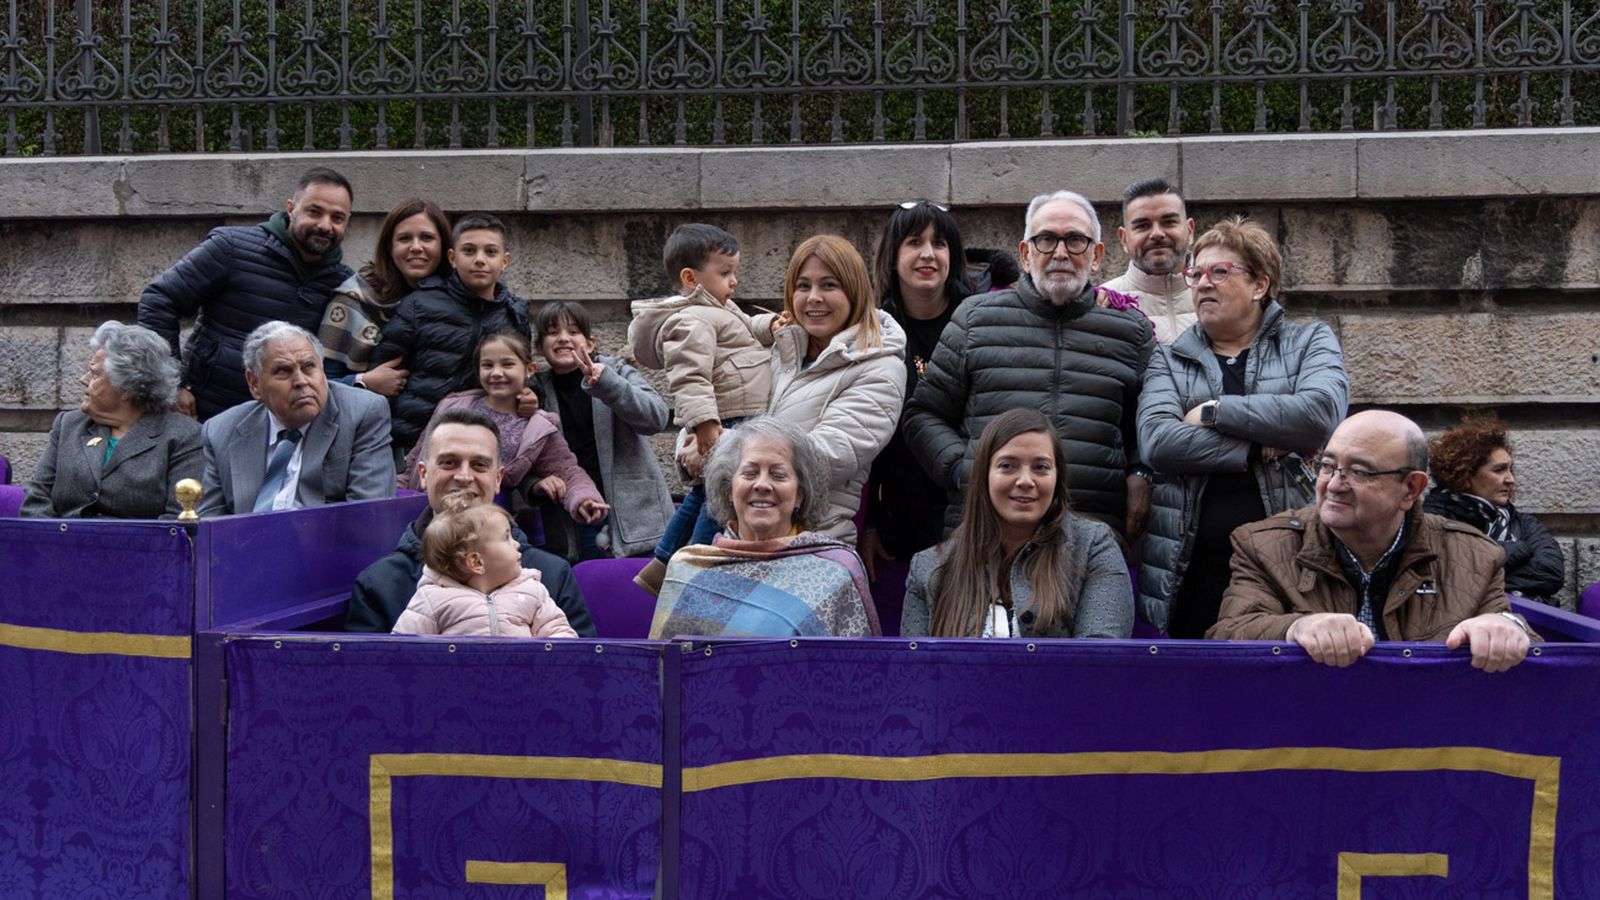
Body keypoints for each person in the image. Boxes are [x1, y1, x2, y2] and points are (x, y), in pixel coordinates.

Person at [904, 188, 1155, 543]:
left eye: (1075, 240)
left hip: (1089, 537)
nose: (1060, 253)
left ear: (1097, 255)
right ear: (1025, 253)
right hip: (983, 534)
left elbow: (1149, 427)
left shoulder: (1132, 333)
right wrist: (964, 471)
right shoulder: (975, 320)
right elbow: (923, 415)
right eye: (1046, 240)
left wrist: (1143, 473)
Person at [1137, 216, 1348, 637]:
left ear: (1260, 285)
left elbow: (1319, 413)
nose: (1202, 284)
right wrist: (1255, 449)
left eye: (1220, 272)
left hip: (1292, 561)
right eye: (1195, 273)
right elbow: (1157, 441)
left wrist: (1215, 411)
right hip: (1191, 564)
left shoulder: (1309, 342)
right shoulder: (1169, 360)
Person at [1211, 410, 1534, 672]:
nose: (1334, 485)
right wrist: (1296, 628)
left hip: (1425, 738)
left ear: (1411, 488)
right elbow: (1228, 634)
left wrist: (1504, 626)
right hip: (1311, 735)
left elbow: (1529, 646)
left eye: (1360, 472)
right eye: (1327, 466)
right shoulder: (1263, 545)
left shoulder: (1475, 554)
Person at [345, 407, 594, 635]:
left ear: (498, 479)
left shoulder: (551, 575)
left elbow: (583, 673)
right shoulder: (380, 584)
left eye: (479, 464)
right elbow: (371, 680)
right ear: (423, 474)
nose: (464, 477)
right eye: (449, 462)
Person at [627, 223, 778, 592]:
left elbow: (746, 327)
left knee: (702, 495)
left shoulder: (718, 309)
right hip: (727, 419)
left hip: (734, 414)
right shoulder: (691, 318)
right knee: (722, 498)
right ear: (691, 277)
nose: (734, 281)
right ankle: (695, 566)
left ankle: (665, 562)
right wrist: (705, 425)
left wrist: (771, 325)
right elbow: (689, 377)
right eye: (725, 273)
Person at [138, 167, 354, 420]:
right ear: (291, 208)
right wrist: (171, 385)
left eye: (337, 218)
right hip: (204, 414)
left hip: (284, 424)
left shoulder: (343, 283)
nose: (325, 225)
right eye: (314, 212)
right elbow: (159, 300)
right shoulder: (231, 247)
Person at [901, 409, 1133, 638]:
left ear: (1057, 478)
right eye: (1007, 465)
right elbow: (913, 672)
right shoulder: (928, 568)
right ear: (984, 476)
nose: (1025, 481)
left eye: (1040, 467)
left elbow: (1100, 662)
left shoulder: (1093, 547)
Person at [649, 417, 878, 639]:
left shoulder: (836, 571)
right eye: (749, 473)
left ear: (800, 495)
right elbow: (665, 668)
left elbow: (856, 669)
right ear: (729, 489)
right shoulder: (689, 567)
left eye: (778, 475)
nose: (761, 484)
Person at [859, 200, 974, 632]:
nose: (928, 254)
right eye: (914, 242)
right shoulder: (870, 333)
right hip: (900, 525)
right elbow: (865, 444)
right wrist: (868, 525)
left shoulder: (982, 321)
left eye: (940, 243)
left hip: (970, 515)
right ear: (893, 255)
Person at [765, 234, 907, 543]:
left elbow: (828, 458)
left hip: (815, 543)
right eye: (803, 286)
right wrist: (695, 439)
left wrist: (723, 452)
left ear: (854, 291)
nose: (814, 297)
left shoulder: (881, 366)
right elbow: (727, 410)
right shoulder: (781, 349)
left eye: (829, 285)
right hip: (746, 534)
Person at [399, 332, 609, 531]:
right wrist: (397, 497)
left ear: (530, 369)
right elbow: (416, 459)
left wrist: (585, 499)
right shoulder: (453, 406)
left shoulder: (538, 428)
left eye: (507, 364)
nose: (496, 373)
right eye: (487, 365)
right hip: (428, 517)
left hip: (488, 526)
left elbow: (568, 471)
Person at [371, 213, 530, 458]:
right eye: (469, 251)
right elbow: (382, 378)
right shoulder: (419, 305)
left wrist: (531, 395)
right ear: (453, 258)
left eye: (490, 252)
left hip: (480, 450)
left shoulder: (514, 315)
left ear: (505, 261)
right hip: (410, 446)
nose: (479, 260)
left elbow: (526, 374)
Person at [197, 322, 395, 516]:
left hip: (329, 546)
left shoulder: (363, 413)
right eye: (283, 371)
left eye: (309, 366)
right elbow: (209, 529)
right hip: (246, 546)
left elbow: (368, 516)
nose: (301, 381)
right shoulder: (220, 431)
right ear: (255, 383)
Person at [531, 300, 674, 559]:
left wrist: (607, 383)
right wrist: (535, 483)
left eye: (573, 332)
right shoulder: (535, 389)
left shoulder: (615, 370)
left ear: (590, 343)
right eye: (553, 332)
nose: (563, 339)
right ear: (540, 346)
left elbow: (656, 418)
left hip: (634, 514)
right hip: (578, 511)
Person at [22, 321, 203, 519]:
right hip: (60, 545)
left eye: (95, 374)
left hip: (137, 548)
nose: (83, 379)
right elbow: (36, 498)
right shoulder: (69, 425)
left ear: (126, 387)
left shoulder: (183, 436)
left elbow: (179, 519)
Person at [319, 197, 452, 396]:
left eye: (426, 237)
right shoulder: (353, 300)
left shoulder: (459, 299)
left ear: (444, 247)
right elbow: (319, 383)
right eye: (405, 238)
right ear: (389, 247)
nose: (416, 247)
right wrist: (362, 382)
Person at [392, 499, 578, 638]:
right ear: (476, 562)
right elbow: (402, 651)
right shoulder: (431, 599)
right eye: (507, 538)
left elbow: (560, 633)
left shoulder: (533, 591)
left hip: (523, 686)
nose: (517, 545)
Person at [1424, 418, 1565, 602]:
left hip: (1527, 625)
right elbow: (1446, 580)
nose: (1510, 479)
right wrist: (1517, 550)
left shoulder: (1523, 522)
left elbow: (1551, 572)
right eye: (1499, 470)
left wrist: (1481, 576)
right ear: (1465, 474)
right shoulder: (1433, 520)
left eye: (1510, 469)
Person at [1100, 177, 1196, 344]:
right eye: (1142, 226)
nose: (1157, 234)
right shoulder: (1102, 304)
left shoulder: (1218, 293)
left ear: (1190, 230)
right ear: (1123, 239)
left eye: (1169, 222)